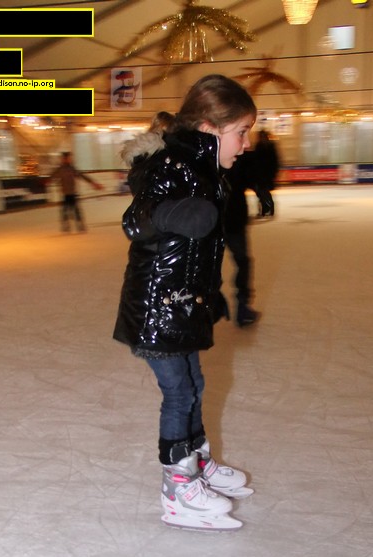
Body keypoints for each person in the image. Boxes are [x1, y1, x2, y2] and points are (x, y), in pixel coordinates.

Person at [114, 74, 257, 531]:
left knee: (193, 384)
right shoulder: (175, 165)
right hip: (157, 308)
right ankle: (178, 486)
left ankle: (196, 461)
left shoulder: (205, 170)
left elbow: (199, 253)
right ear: (211, 129)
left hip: (182, 304)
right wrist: (171, 214)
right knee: (179, 392)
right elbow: (136, 219)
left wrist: (209, 299)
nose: (246, 144)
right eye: (241, 132)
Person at [222, 149, 264, 327]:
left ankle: (242, 306)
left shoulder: (238, 155)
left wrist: (261, 191)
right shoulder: (235, 156)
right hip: (223, 219)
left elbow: (250, 177)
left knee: (242, 261)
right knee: (242, 261)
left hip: (227, 218)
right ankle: (242, 306)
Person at [47, 151, 103, 232]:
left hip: (72, 193)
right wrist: (48, 181)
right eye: (67, 158)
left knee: (76, 210)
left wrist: (93, 183)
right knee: (65, 210)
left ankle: (80, 225)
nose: (69, 160)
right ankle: (66, 225)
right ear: (63, 159)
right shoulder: (60, 169)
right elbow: (53, 176)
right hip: (65, 193)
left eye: (69, 158)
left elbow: (83, 176)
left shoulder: (72, 169)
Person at [253, 129, 280, 217]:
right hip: (260, 174)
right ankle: (264, 209)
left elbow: (275, 160)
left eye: (263, 136)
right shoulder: (259, 146)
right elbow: (255, 160)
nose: (261, 138)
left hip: (268, 173)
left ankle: (268, 208)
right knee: (261, 192)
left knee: (264, 192)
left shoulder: (270, 146)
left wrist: (274, 172)